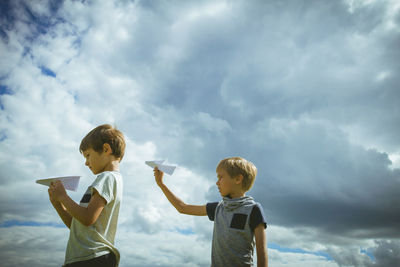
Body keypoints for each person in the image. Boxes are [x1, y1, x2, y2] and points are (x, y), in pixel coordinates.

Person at [154, 156, 268, 267]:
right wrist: (161, 184)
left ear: (238, 179)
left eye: (221, 177)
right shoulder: (217, 208)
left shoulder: (254, 209)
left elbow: (262, 252)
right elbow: (182, 208)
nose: (217, 182)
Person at [48, 124, 126, 267]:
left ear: (106, 149)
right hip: (87, 258)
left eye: (88, 155)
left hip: (92, 258)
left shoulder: (106, 177)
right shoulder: (111, 179)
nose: (86, 163)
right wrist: (57, 203)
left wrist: (63, 197)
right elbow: (78, 226)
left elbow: (87, 218)